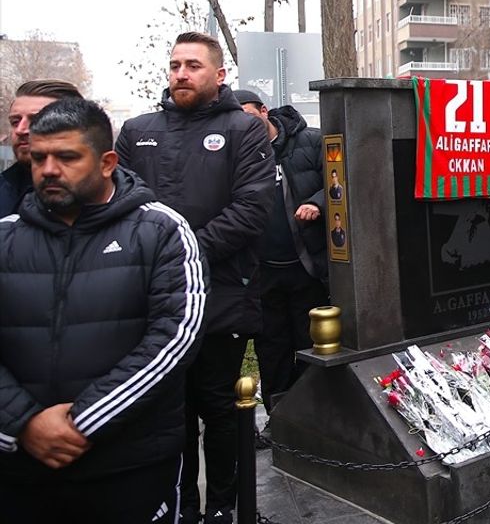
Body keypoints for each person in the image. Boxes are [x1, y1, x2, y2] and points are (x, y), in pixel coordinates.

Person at [0, 97, 206, 523]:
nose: (49, 170)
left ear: (107, 161)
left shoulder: (161, 230)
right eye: (39, 158)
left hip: (129, 464)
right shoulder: (6, 238)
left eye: (67, 157)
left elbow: (174, 337)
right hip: (21, 468)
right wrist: (23, 423)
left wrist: (84, 421)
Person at [116, 31, 275, 524]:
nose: (181, 73)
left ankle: (224, 506)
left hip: (222, 295)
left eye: (193, 65)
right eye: (175, 65)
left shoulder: (243, 130)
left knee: (222, 409)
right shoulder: (137, 130)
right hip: (154, 300)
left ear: (219, 75)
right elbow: (120, 204)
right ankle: (181, 508)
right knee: (169, 412)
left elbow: (252, 209)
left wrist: (182, 253)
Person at [235, 90, 329, 412]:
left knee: (310, 346)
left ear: (264, 111)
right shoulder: (237, 156)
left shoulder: (311, 142)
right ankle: (280, 420)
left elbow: (341, 183)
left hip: (307, 268)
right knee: (271, 351)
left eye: (247, 115)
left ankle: (313, 418)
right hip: (263, 275)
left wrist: (317, 204)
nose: (242, 124)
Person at [1, 79, 82, 216]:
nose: (21, 130)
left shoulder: (108, 198)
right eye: (15, 121)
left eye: (36, 120)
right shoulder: (5, 189)